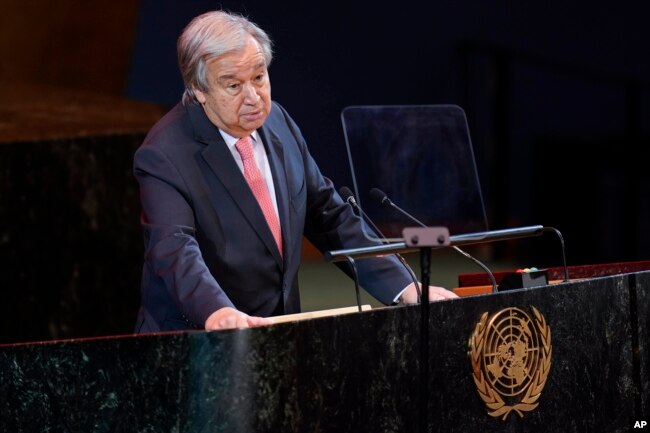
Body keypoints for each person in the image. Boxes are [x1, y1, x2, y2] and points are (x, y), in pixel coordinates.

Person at [132, 9, 457, 333]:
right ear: (198, 89)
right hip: (193, 343)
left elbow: (330, 216)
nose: (253, 98)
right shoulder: (164, 154)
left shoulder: (278, 123)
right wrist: (217, 311)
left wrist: (406, 288)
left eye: (259, 78)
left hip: (278, 333)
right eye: (233, 86)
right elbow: (174, 250)